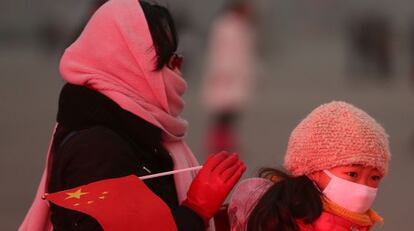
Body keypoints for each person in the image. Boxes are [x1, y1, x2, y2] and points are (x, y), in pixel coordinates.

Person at [20, 0, 245, 230]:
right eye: (169, 61)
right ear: (131, 64)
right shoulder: (95, 151)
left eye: (178, 59)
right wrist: (195, 210)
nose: (178, 72)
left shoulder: (136, 132)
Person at [228, 101, 390, 231]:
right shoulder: (289, 222)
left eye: (374, 177)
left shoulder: (355, 222)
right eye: (352, 174)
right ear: (313, 171)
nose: (363, 189)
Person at [201, 0, 257, 154]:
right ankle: (218, 142)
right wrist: (224, 71)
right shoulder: (227, 25)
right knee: (223, 112)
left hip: (234, 74)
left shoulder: (239, 25)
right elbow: (223, 52)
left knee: (231, 112)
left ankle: (226, 141)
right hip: (226, 75)